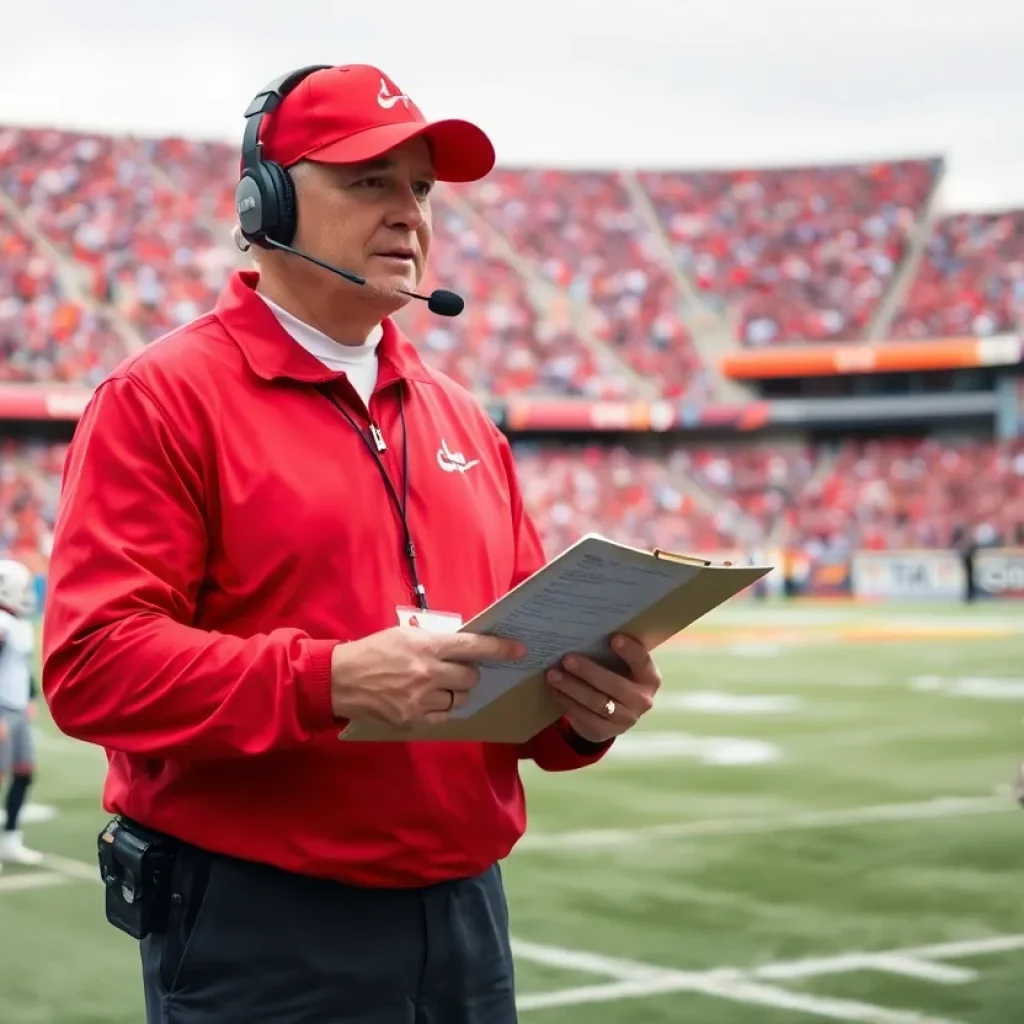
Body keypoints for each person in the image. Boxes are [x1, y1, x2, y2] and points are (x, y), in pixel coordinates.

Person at [41, 63, 662, 1024]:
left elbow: (521, 670)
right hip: (260, 927)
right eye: (369, 180)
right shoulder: (160, 400)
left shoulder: (464, 420)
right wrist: (327, 680)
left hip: (465, 920)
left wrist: (586, 711)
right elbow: (90, 667)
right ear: (269, 201)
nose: (409, 213)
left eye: (420, 188)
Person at [0, 558, 44, 870]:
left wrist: (29, 696)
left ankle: (11, 837)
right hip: (2, 710)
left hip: (17, 709)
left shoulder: (20, 623)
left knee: (24, 771)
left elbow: (20, 668)